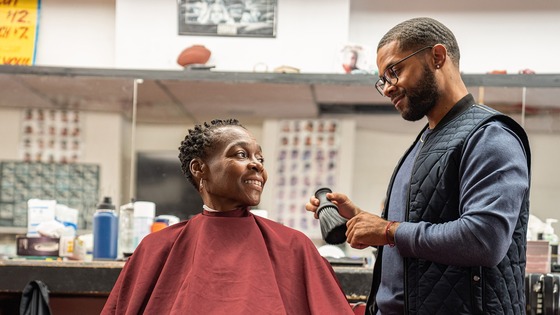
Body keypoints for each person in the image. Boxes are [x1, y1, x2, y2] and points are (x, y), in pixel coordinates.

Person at [306, 17, 530, 315]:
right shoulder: (424, 142)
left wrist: (387, 230)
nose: (387, 88)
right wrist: (362, 222)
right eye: (382, 80)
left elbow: (484, 239)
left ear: (437, 57)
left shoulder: (490, 136)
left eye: (394, 71)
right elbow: (414, 244)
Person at [102, 119, 354, 314]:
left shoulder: (293, 246)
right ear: (199, 168)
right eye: (241, 154)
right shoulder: (156, 248)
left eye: (260, 158)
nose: (257, 165)